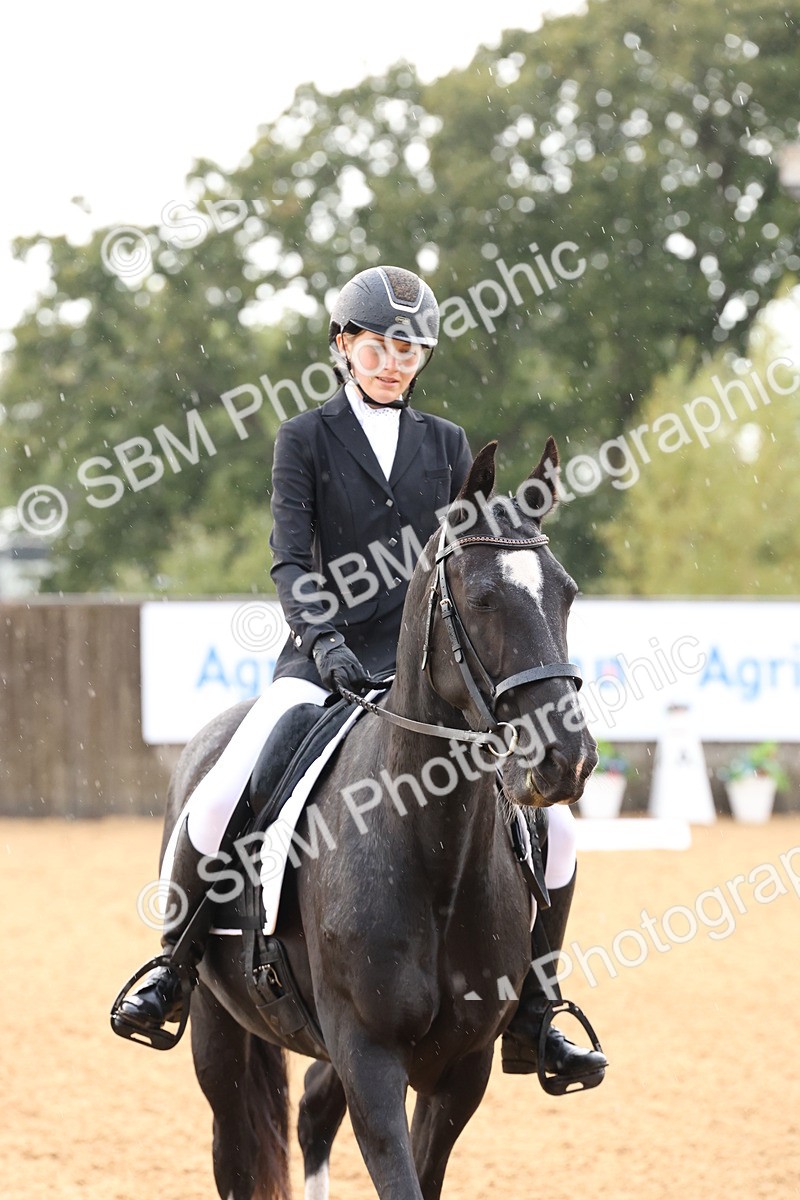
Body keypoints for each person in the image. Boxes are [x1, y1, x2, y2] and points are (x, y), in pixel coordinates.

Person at [114, 264, 606, 1089]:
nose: (395, 359)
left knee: (554, 827)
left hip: (428, 675)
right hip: (322, 664)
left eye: (410, 346)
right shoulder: (305, 439)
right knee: (224, 785)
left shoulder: (448, 445)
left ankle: (537, 1010)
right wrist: (325, 639)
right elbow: (289, 560)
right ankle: (176, 963)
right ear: (345, 346)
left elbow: (466, 570)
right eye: (379, 343)